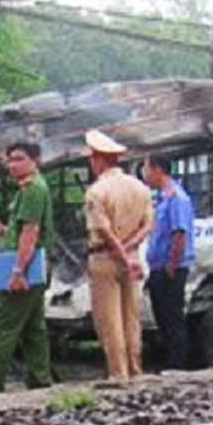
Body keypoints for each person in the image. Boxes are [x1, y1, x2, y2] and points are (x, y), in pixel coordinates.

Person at [0, 142, 56, 396]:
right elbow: (21, 232)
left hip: (23, 268)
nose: (13, 165)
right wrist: (1, 231)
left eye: (19, 159)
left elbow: (30, 234)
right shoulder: (29, 189)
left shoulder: (33, 189)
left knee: (3, 328)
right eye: (10, 160)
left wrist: (17, 271)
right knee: (34, 329)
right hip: (33, 266)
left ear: (35, 160)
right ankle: (40, 381)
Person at [82, 129, 154, 382]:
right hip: (132, 259)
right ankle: (135, 370)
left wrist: (120, 254)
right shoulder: (140, 188)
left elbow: (103, 230)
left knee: (109, 320)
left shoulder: (96, 192)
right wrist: (130, 252)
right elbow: (148, 226)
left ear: (98, 159)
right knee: (131, 318)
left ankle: (117, 373)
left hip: (105, 259)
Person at [142, 154, 196, 371]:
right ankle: (169, 360)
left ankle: (177, 364)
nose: (144, 174)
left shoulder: (177, 198)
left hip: (170, 267)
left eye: (146, 169)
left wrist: (171, 266)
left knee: (172, 316)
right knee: (162, 316)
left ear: (158, 170)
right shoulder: (163, 198)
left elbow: (179, 234)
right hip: (158, 266)